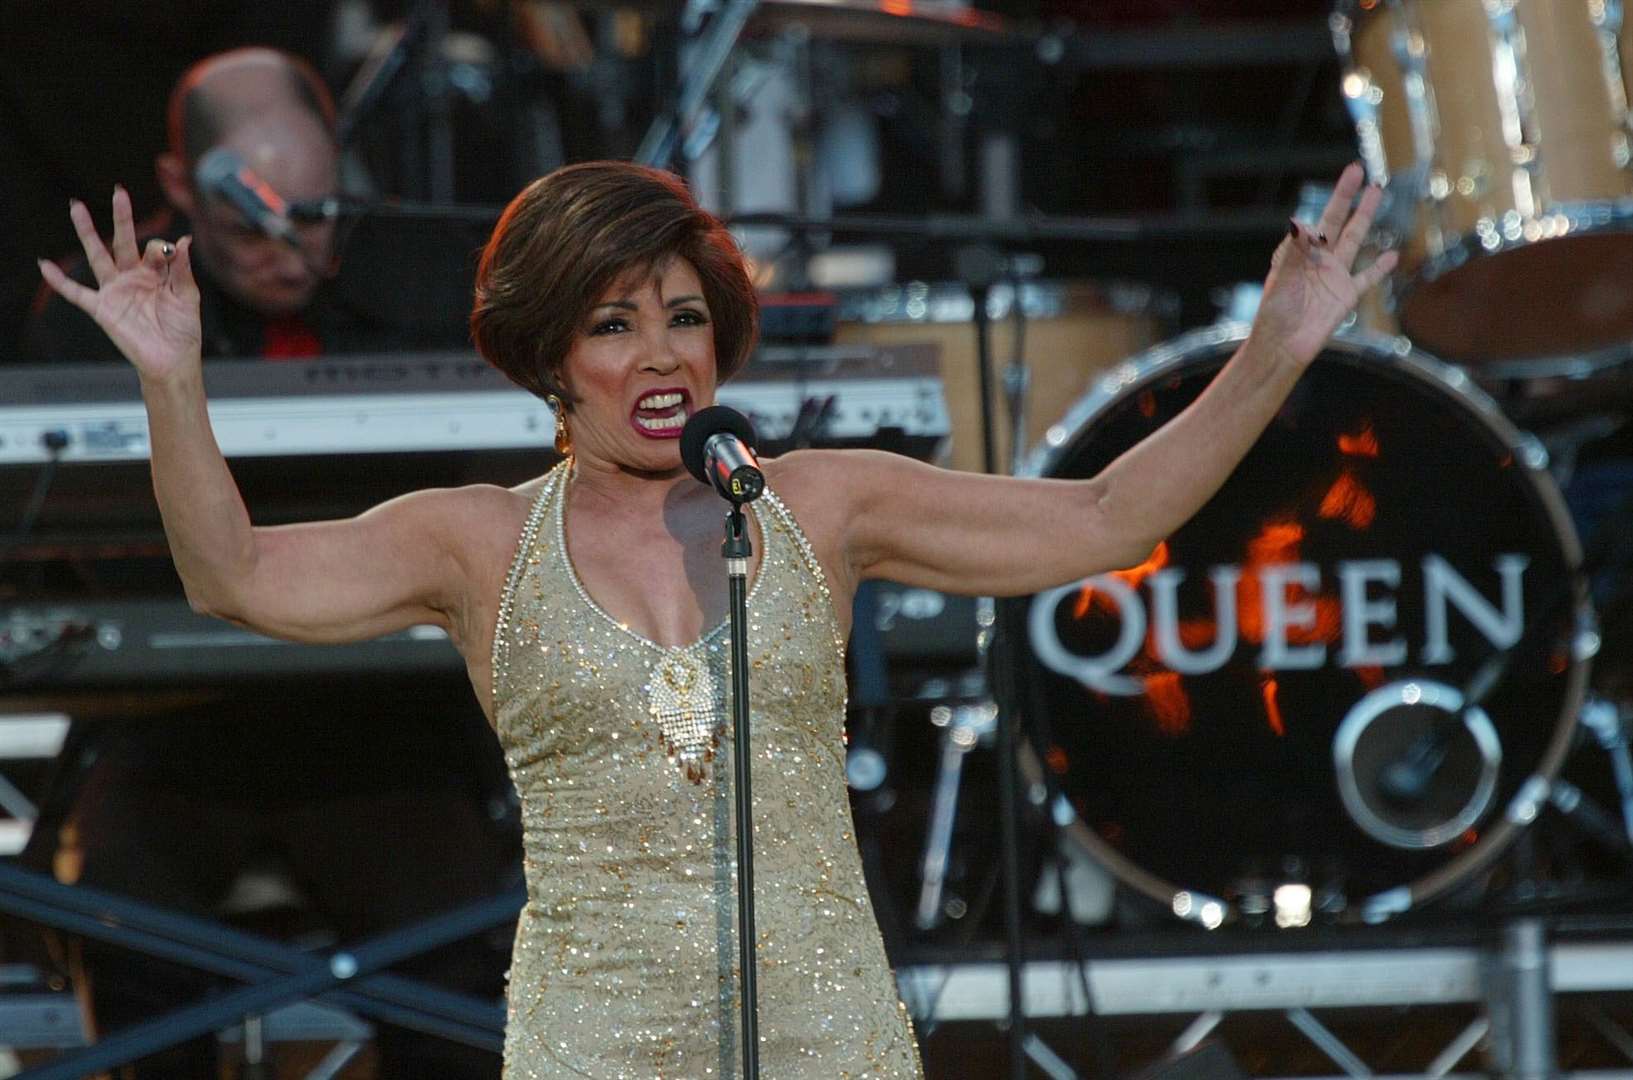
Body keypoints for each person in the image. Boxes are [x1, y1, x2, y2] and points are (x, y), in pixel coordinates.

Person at [38, 158, 1396, 1076]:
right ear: (550, 355)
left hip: (824, 1031)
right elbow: (237, 579)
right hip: (595, 1039)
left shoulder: (812, 500)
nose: (662, 355)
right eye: (616, 324)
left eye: (684, 318)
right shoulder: (476, 536)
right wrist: (173, 382)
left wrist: (1274, 345)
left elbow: (1106, 516)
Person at [23, 48, 511, 1080]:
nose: (293, 249)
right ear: (176, 189)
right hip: (176, 726)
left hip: (385, 733)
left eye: (319, 211)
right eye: (252, 222)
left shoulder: (430, 281)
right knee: (124, 931)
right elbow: (77, 532)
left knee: (459, 968)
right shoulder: (116, 303)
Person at [22, 46, 436, 364]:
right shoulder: (104, 306)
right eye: (251, 232)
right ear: (179, 185)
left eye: (313, 219)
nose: (293, 266)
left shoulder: (417, 275)